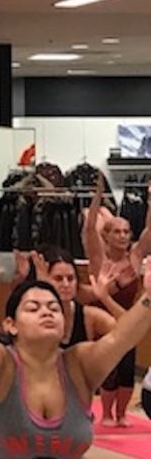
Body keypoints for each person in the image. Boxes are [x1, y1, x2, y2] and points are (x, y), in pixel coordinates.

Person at [0, 248, 151, 459]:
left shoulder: (78, 364)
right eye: (33, 308)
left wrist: (149, 296)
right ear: (11, 324)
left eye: (53, 308)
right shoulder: (0, 366)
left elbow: (120, 339)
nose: (46, 312)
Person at [83, 176, 151, 427]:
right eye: (117, 232)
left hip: (127, 317)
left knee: (126, 367)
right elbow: (90, 228)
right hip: (103, 321)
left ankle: (121, 414)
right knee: (108, 367)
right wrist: (97, 196)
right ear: (107, 236)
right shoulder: (99, 258)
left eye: (125, 231)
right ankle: (107, 413)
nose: (123, 236)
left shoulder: (134, 258)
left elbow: (149, 231)